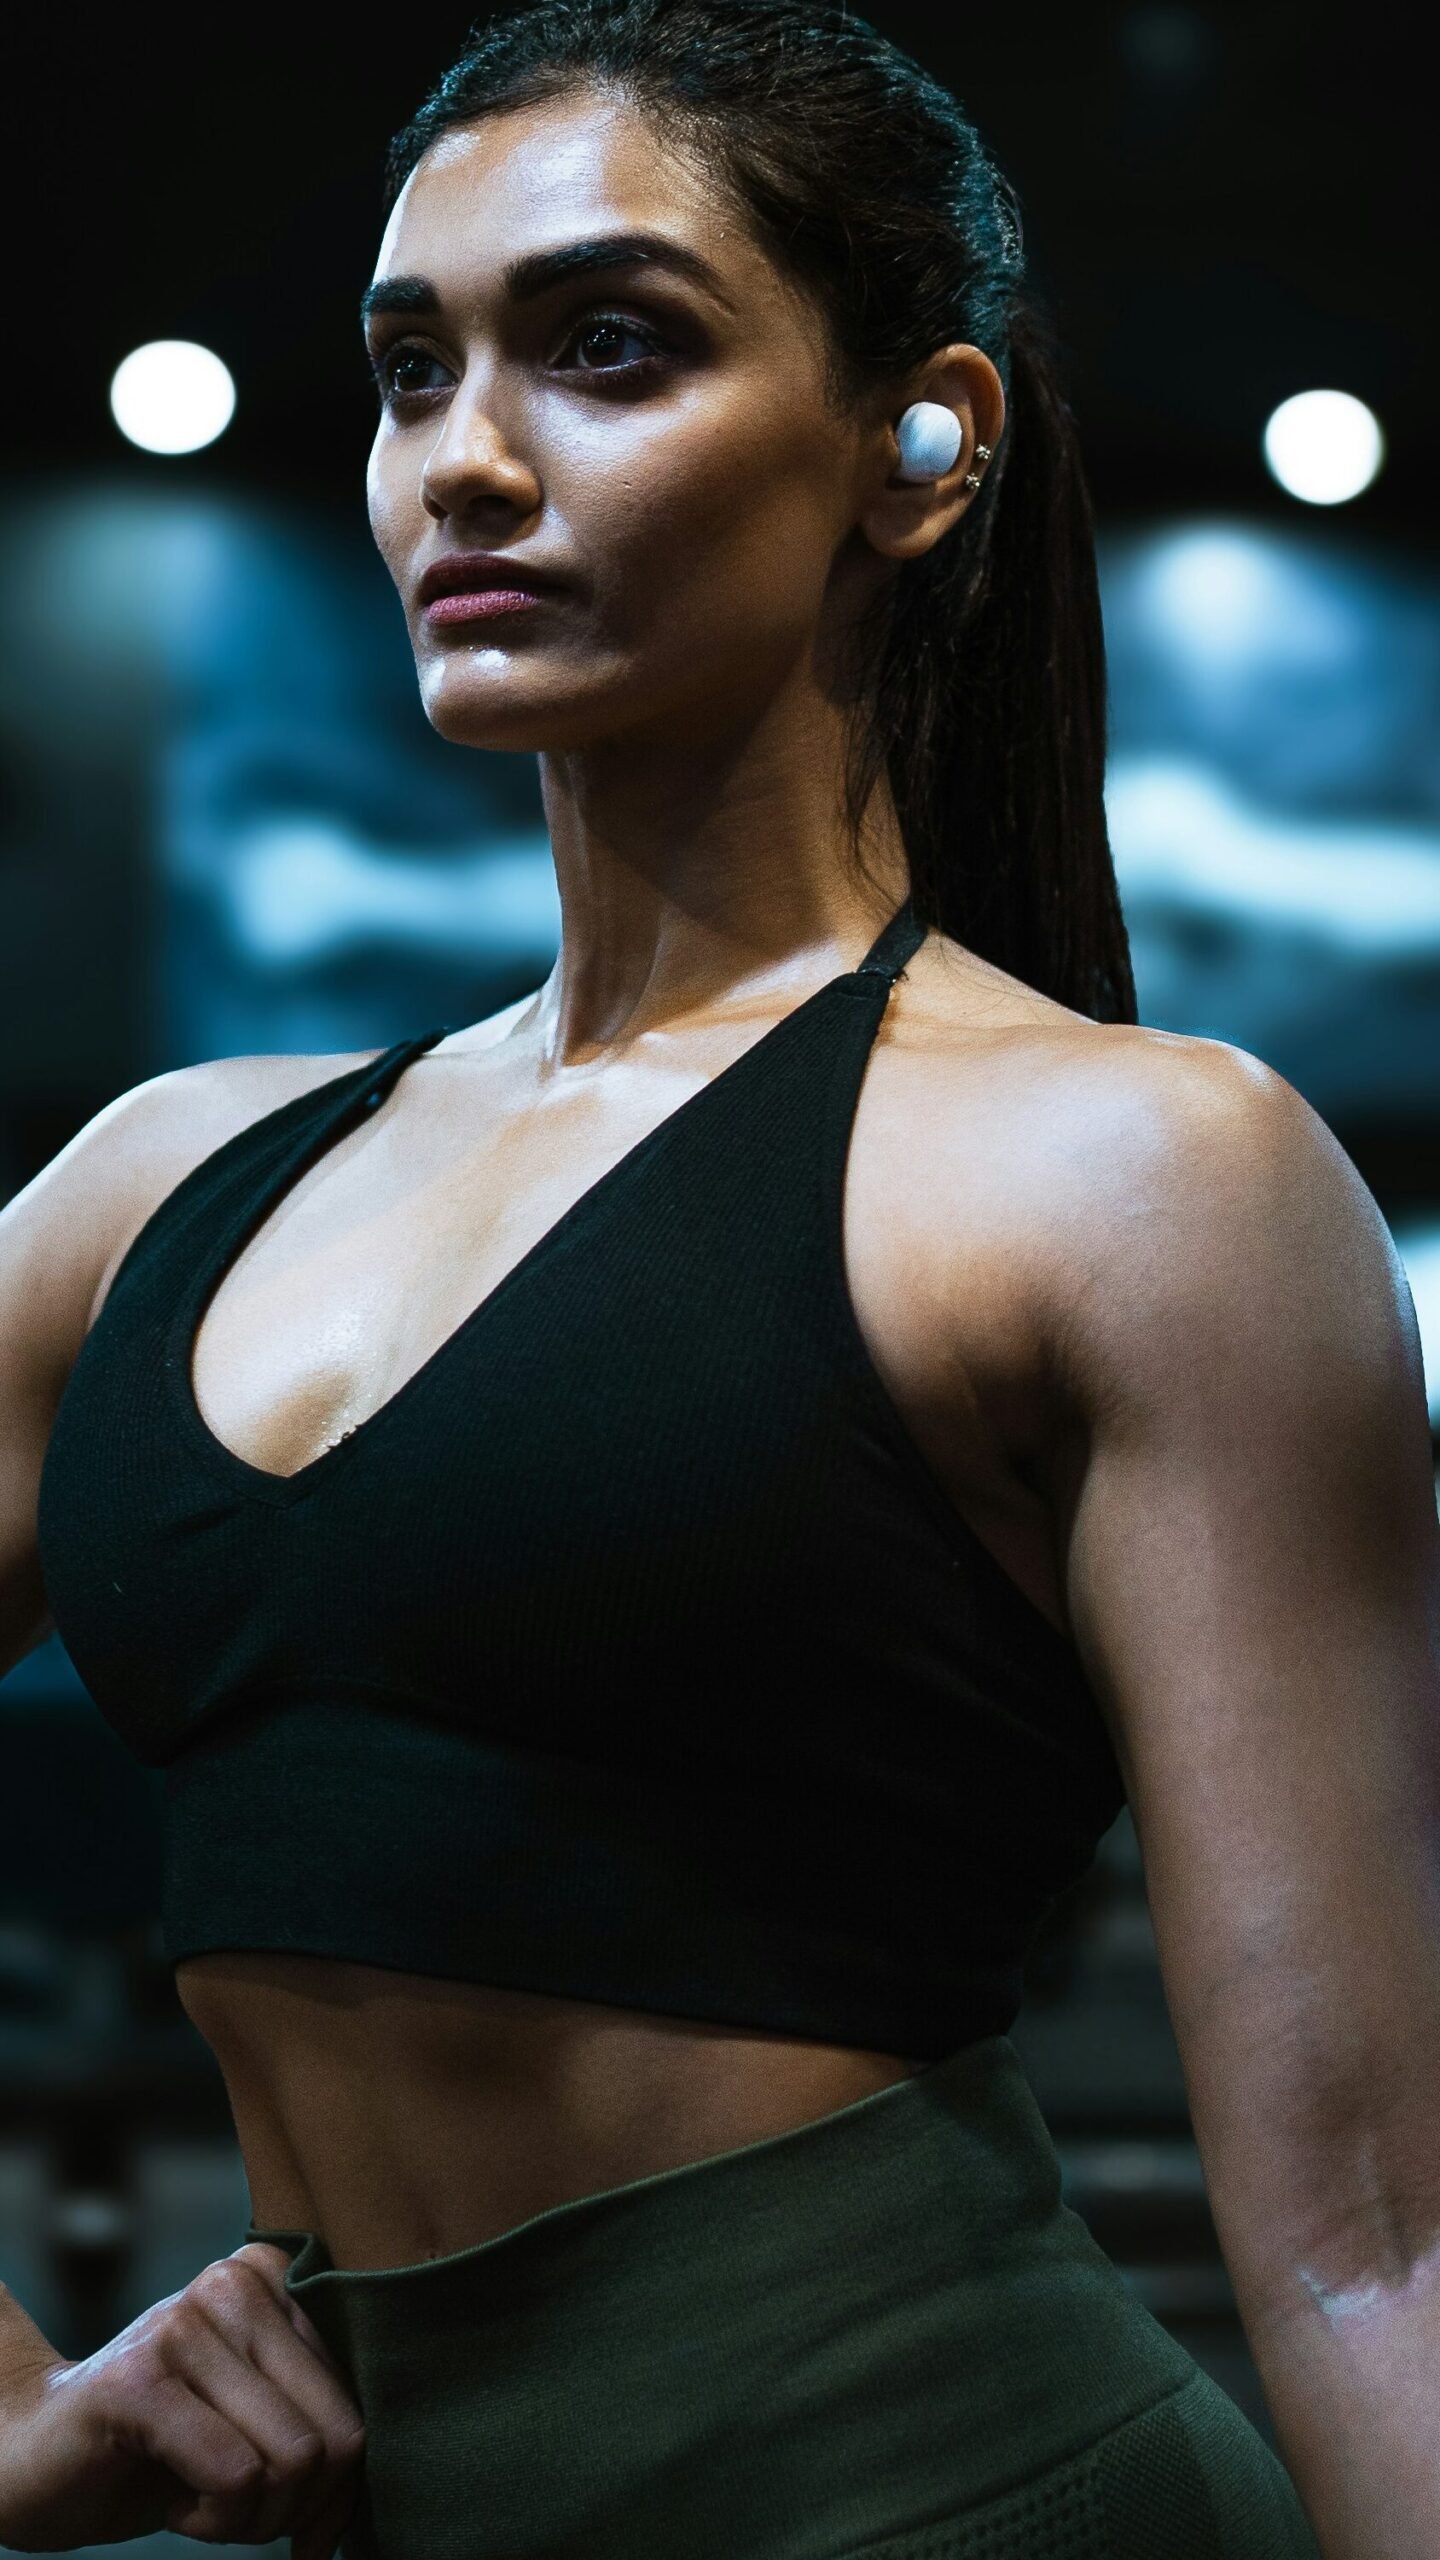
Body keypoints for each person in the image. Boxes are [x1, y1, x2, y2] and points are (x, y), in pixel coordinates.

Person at [1, 2, 1437, 2552]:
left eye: (608, 346)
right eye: (408, 364)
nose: (467, 452)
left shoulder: (1138, 1173)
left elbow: (1378, 2240)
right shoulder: (157, 1189)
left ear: (924, 440)